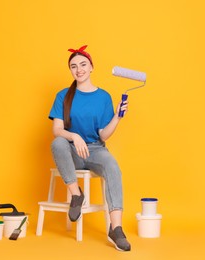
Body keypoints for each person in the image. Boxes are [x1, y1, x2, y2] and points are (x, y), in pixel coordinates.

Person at [48, 45, 131, 252]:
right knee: (57, 143)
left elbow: (103, 134)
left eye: (83, 64)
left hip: (95, 150)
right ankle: (76, 195)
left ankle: (116, 229)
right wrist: (74, 136)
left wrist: (118, 117)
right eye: (74, 66)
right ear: (71, 71)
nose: (79, 70)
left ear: (92, 67)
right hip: (71, 151)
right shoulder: (63, 95)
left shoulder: (103, 97)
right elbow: (57, 130)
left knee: (112, 166)